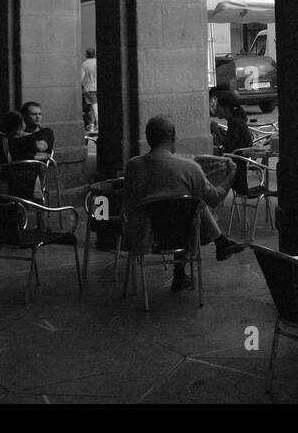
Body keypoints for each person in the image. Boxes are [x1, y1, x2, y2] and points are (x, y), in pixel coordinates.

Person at [124, 115, 246, 291]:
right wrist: (231, 175)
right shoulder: (189, 168)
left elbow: (129, 202)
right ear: (173, 137)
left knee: (190, 205)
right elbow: (215, 197)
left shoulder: (133, 167)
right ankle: (217, 243)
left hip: (145, 234)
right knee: (193, 205)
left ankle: (214, 248)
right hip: (183, 234)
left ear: (149, 138)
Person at [210, 87, 253, 155]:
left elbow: (228, 146)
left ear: (226, 107)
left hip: (237, 160)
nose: (215, 109)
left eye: (217, 106)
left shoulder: (235, 122)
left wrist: (216, 131)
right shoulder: (234, 120)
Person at [80, 49, 98, 133]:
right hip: (98, 86)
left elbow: (82, 77)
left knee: (94, 107)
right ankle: (91, 125)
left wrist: (81, 87)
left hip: (89, 87)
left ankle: (98, 124)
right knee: (93, 107)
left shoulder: (84, 64)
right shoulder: (97, 62)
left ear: (86, 54)